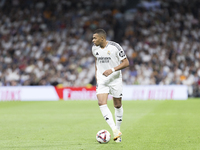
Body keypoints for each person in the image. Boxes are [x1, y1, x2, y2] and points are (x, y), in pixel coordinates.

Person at [92, 29, 129, 142]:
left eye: (95, 38)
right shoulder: (94, 48)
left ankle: (117, 130)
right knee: (101, 103)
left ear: (102, 38)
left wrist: (112, 70)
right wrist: (97, 75)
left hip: (115, 79)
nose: (93, 40)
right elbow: (97, 62)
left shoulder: (115, 47)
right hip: (102, 80)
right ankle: (114, 130)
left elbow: (126, 62)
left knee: (117, 105)